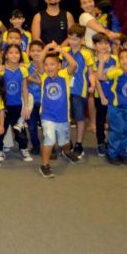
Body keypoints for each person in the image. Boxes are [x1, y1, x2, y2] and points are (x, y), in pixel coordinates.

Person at [38, 48, 80, 179]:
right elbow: (39, 60)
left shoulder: (64, 74)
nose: (49, 67)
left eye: (52, 64)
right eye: (47, 64)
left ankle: (66, 152)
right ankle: (45, 165)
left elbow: (73, 64)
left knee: (64, 141)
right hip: (47, 115)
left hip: (62, 117)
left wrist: (61, 50)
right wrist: (47, 47)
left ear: (59, 65)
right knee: (49, 139)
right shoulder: (44, 75)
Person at [98, 48, 127, 166]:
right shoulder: (117, 72)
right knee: (118, 131)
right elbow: (101, 77)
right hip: (116, 108)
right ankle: (112, 153)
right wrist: (101, 62)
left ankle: (122, 152)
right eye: (122, 58)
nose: (125, 61)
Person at [64, 25, 95, 158]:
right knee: (64, 118)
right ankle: (66, 142)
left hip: (79, 91)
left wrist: (92, 85)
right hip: (64, 91)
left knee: (79, 118)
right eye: (70, 38)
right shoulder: (64, 51)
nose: (72, 41)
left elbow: (91, 73)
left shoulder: (87, 54)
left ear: (82, 40)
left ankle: (79, 143)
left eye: (76, 39)